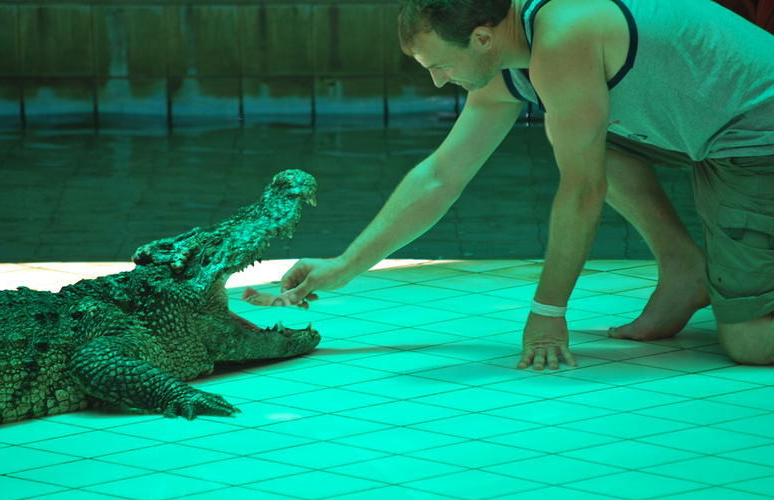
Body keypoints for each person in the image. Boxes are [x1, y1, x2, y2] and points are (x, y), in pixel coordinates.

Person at [279, 0, 774, 370]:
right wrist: (346, 266)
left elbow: (583, 191)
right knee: (579, 137)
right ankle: (682, 266)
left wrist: (548, 312)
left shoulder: (561, 37)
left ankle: (699, 279)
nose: (436, 82)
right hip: (705, 126)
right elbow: (441, 174)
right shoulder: (512, 55)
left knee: (748, 344)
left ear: (481, 38)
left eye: (439, 66)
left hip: (756, 132)